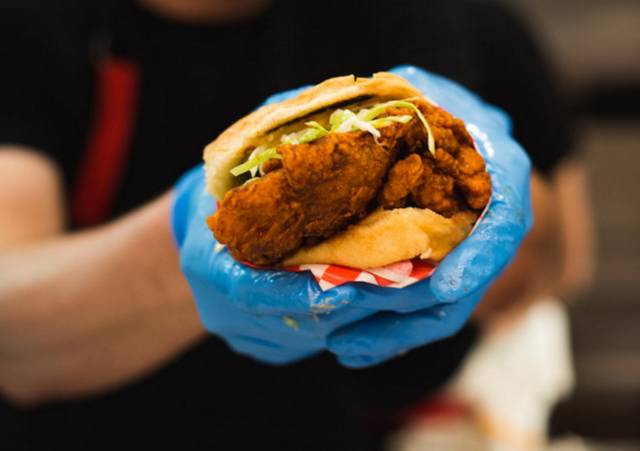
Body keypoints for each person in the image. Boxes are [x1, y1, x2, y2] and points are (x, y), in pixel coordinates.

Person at [0, 0, 592, 450]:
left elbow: (563, 259)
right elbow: (13, 331)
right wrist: (178, 241)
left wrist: (498, 208)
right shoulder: (33, 26)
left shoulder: (431, 15)